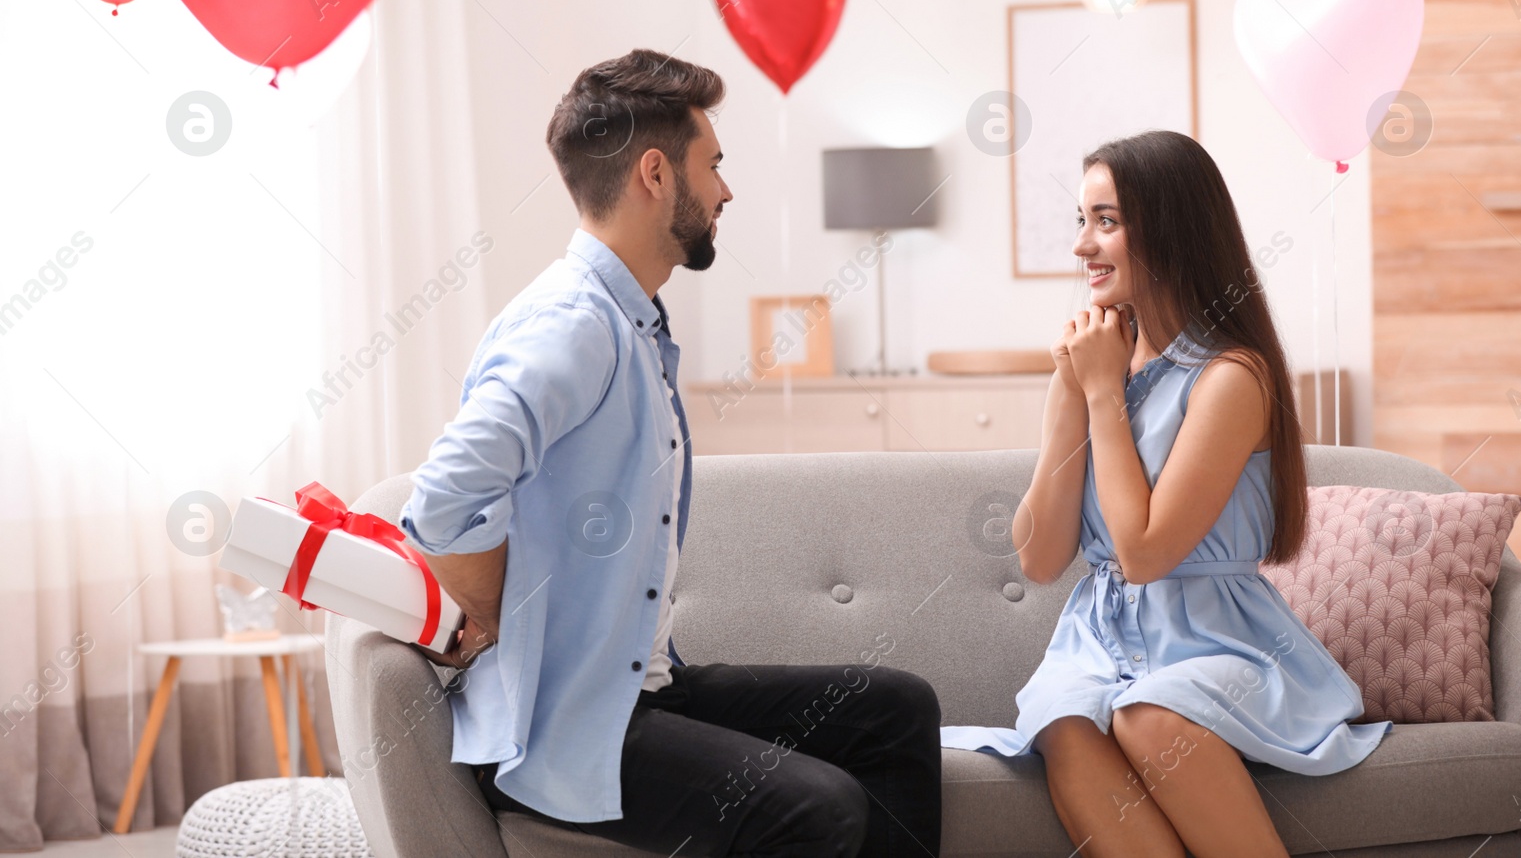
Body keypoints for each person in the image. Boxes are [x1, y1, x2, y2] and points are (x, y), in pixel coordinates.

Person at [398, 49, 942, 858]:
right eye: (713, 164)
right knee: (817, 807)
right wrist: (479, 609)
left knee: (895, 709)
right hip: (567, 722)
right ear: (656, 174)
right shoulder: (574, 323)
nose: (726, 190)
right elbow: (443, 497)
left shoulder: (630, 321)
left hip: (638, 690)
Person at [940, 131, 1391, 857]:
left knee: (1149, 716)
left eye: (1106, 221)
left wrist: (1100, 394)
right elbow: (1040, 557)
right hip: (1097, 640)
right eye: (1081, 221)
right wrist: (1071, 392)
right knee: (1066, 719)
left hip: (1215, 639)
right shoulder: (1100, 364)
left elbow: (1145, 551)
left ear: (1172, 228)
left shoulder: (1231, 377)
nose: (1083, 245)